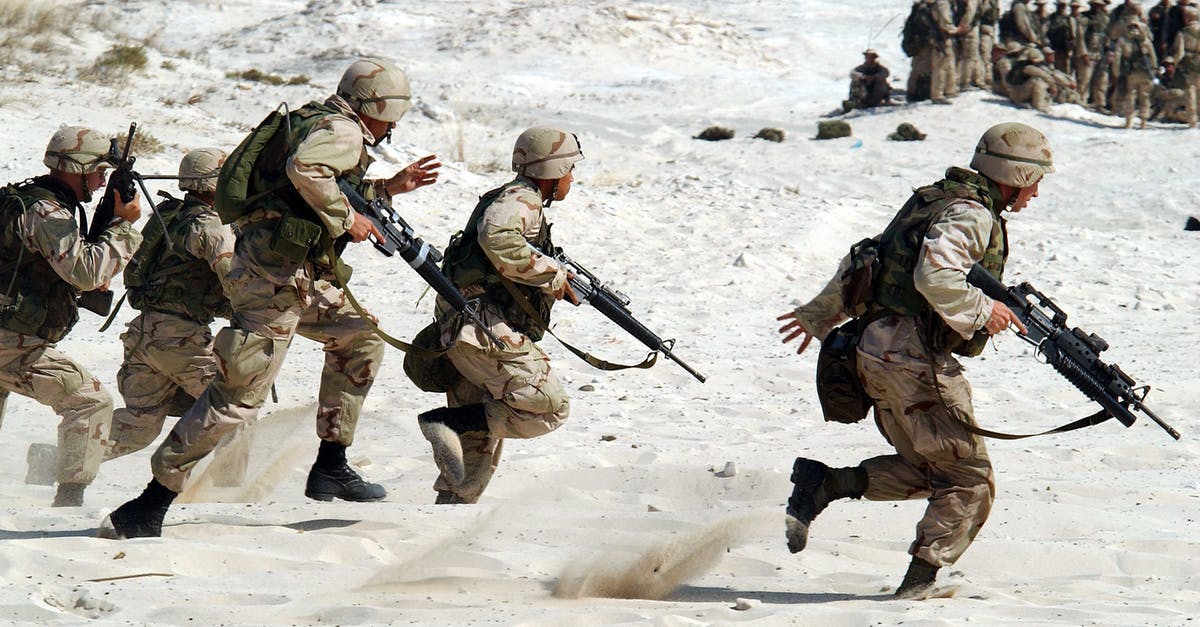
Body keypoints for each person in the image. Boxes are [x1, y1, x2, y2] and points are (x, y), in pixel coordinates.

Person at [100, 57, 441, 539]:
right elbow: (307, 170)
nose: (392, 126)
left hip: (298, 277)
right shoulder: (341, 131)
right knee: (237, 399)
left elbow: (307, 188)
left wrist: (387, 189)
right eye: (392, 115)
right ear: (377, 106)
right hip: (272, 283)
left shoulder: (318, 121)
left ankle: (331, 463)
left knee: (360, 337)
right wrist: (349, 220)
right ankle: (147, 505)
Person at [777, 122, 1055, 599]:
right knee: (969, 480)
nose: (1035, 194)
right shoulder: (971, 214)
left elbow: (871, 260)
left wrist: (821, 313)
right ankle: (919, 584)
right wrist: (987, 310)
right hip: (912, 360)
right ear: (1015, 174)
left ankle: (825, 483)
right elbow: (934, 278)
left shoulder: (933, 200)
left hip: (875, 351)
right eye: (1035, 181)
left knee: (934, 470)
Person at [415, 127, 582, 505]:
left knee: (474, 448)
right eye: (569, 170)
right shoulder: (522, 199)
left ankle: (445, 523)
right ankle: (443, 422)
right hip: (481, 331)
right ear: (552, 171)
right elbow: (498, 236)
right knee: (550, 405)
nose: (571, 178)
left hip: (466, 330)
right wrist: (552, 275)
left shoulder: (513, 198)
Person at [0, 126, 142, 506]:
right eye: (97, 173)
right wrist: (123, 227)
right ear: (78, 168)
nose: (99, 183)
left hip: (10, 333)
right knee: (90, 402)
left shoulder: (28, 199)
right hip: (11, 341)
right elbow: (85, 272)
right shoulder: (47, 212)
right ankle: (69, 499)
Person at [103, 148, 249, 484]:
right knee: (237, 405)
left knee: (139, 425)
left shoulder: (168, 215)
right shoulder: (210, 226)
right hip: (180, 339)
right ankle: (233, 490)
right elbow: (236, 282)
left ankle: (61, 457)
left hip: (143, 333)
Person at [1114, 21, 1160, 127]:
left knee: (1131, 95)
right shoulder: (1145, 40)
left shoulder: (1123, 40)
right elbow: (1153, 56)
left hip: (1131, 72)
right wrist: (1154, 69)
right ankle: (1143, 121)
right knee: (1145, 96)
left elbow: (1117, 57)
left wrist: (1116, 71)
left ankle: (1128, 121)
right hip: (1145, 72)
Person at [1171, 5, 1200, 126]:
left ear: (1187, 18)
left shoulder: (1183, 32)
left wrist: (1175, 64)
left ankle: (1192, 119)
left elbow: (1179, 52)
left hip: (1189, 64)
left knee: (1190, 91)